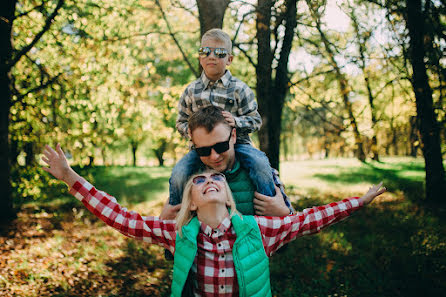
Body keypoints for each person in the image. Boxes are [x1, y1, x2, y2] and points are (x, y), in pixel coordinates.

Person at [41, 144, 386, 296]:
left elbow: (312, 219)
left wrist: (361, 200)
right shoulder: (177, 234)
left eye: (216, 180)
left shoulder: (259, 230)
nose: (209, 181)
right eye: (200, 181)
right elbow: (121, 218)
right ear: (189, 201)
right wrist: (72, 178)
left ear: (228, 197)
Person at [170, 28, 277, 209]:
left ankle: (269, 206)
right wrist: (190, 132)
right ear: (200, 57)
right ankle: (176, 213)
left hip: (238, 145)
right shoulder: (191, 91)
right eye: (206, 52)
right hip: (202, 149)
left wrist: (237, 122)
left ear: (229, 59)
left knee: (260, 164)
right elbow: (180, 120)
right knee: (179, 172)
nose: (212, 56)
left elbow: (255, 120)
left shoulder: (239, 89)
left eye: (219, 53)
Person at [161, 105, 292, 221]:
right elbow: (173, 237)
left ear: (233, 136)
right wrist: (164, 220)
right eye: (203, 150)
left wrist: (284, 213)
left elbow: (293, 227)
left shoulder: (262, 173)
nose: (214, 156)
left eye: (221, 146)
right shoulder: (187, 180)